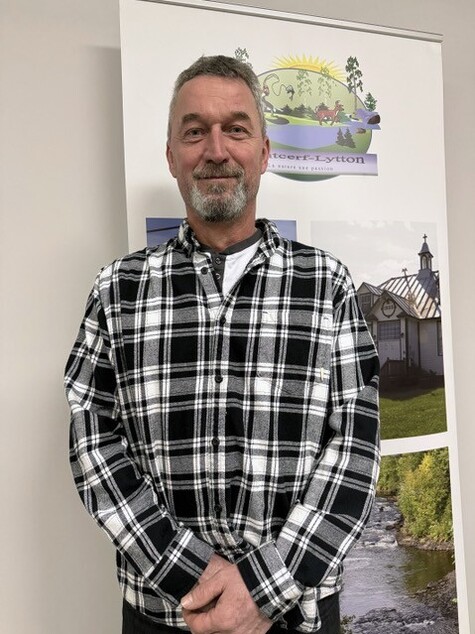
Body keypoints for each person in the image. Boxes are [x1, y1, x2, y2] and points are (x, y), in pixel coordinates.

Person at [65, 55, 380, 634]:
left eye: (236, 128)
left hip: (295, 613)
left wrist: (263, 587)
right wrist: (192, 571)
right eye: (194, 132)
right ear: (171, 156)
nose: (216, 150)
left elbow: (355, 448)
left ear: (263, 151)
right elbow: (93, 440)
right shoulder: (118, 289)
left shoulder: (326, 284)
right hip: (164, 613)